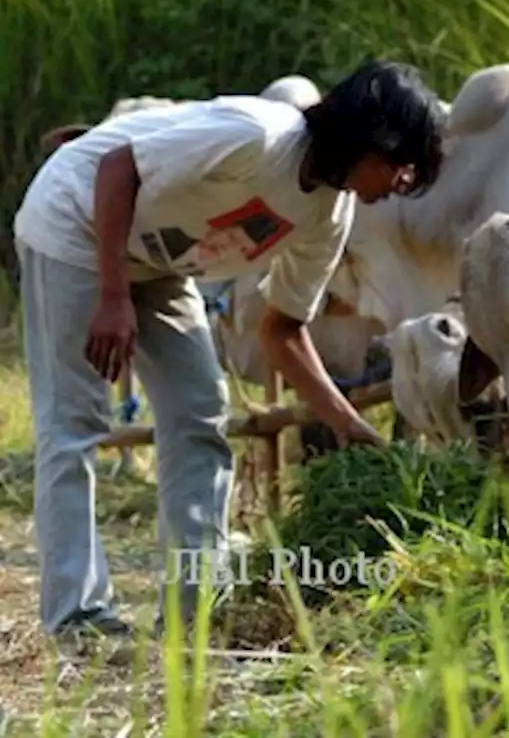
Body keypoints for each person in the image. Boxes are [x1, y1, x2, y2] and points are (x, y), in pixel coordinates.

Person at [11, 59, 447, 648]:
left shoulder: (329, 215)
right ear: (372, 140)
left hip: (156, 261)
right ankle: (78, 618)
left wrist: (345, 423)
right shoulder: (259, 137)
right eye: (403, 165)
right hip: (75, 224)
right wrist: (112, 296)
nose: (402, 183)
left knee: (199, 411)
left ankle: (191, 613)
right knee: (75, 420)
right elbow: (116, 168)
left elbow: (283, 332)